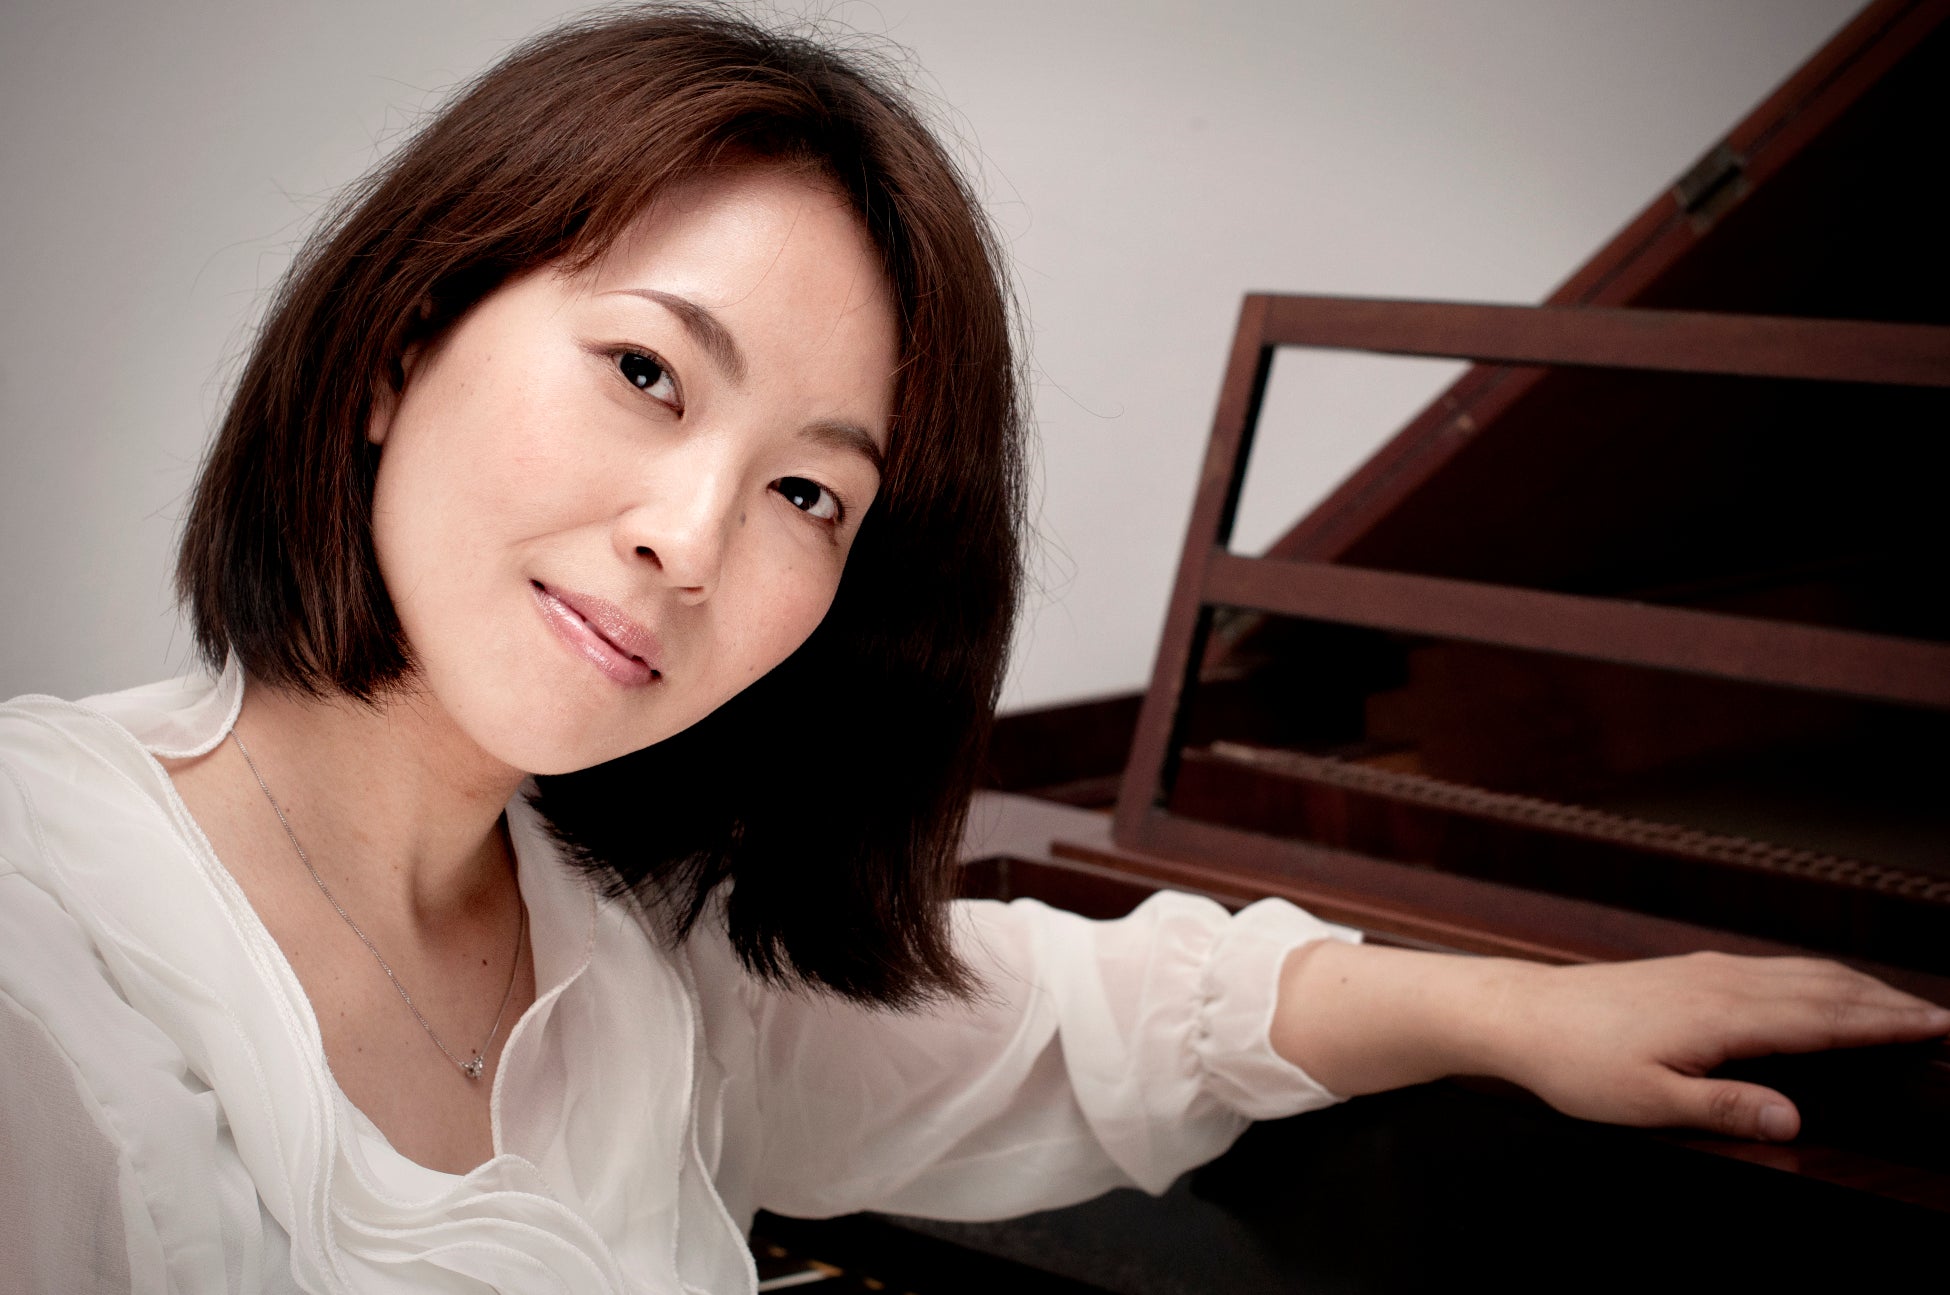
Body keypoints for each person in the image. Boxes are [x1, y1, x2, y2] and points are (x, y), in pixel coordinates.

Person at [1, 7, 1942, 1293]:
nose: (690, 537)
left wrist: (1505, 1009)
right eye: (646, 372)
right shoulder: (42, 967)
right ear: (396, 346)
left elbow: (1058, 1013)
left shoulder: (624, 953)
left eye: (810, 493)